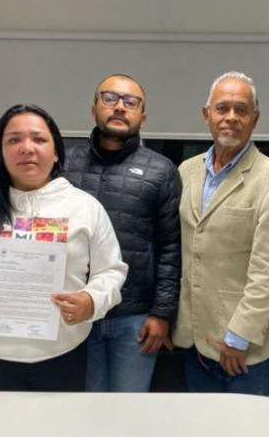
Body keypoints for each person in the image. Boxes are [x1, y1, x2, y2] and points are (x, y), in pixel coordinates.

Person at [0, 104, 127, 391]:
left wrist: (91, 300)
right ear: (1, 152)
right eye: (13, 140)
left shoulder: (84, 207)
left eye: (39, 139)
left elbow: (111, 270)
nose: (27, 148)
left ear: (56, 152)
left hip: (64, 357)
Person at [172, 71, 269, 394]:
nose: (231, 117)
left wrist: (238, 337)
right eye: (222, 108)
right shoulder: (186, 171)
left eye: (241, 110)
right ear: (207, 115)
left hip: (239, 348)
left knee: (244, 421)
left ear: (255, 118)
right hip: (190, 338)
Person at [63, 74, 182, 392]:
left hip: (135, 318)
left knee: (128, 410)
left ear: (143, 116)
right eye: (109, 98)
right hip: (75, 314)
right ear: (93, 110)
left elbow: (171, 249)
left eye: (131, 102)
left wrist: (162, 314)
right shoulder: (63, 165)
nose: (119, 107)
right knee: (83, 409)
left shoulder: (162, 171)